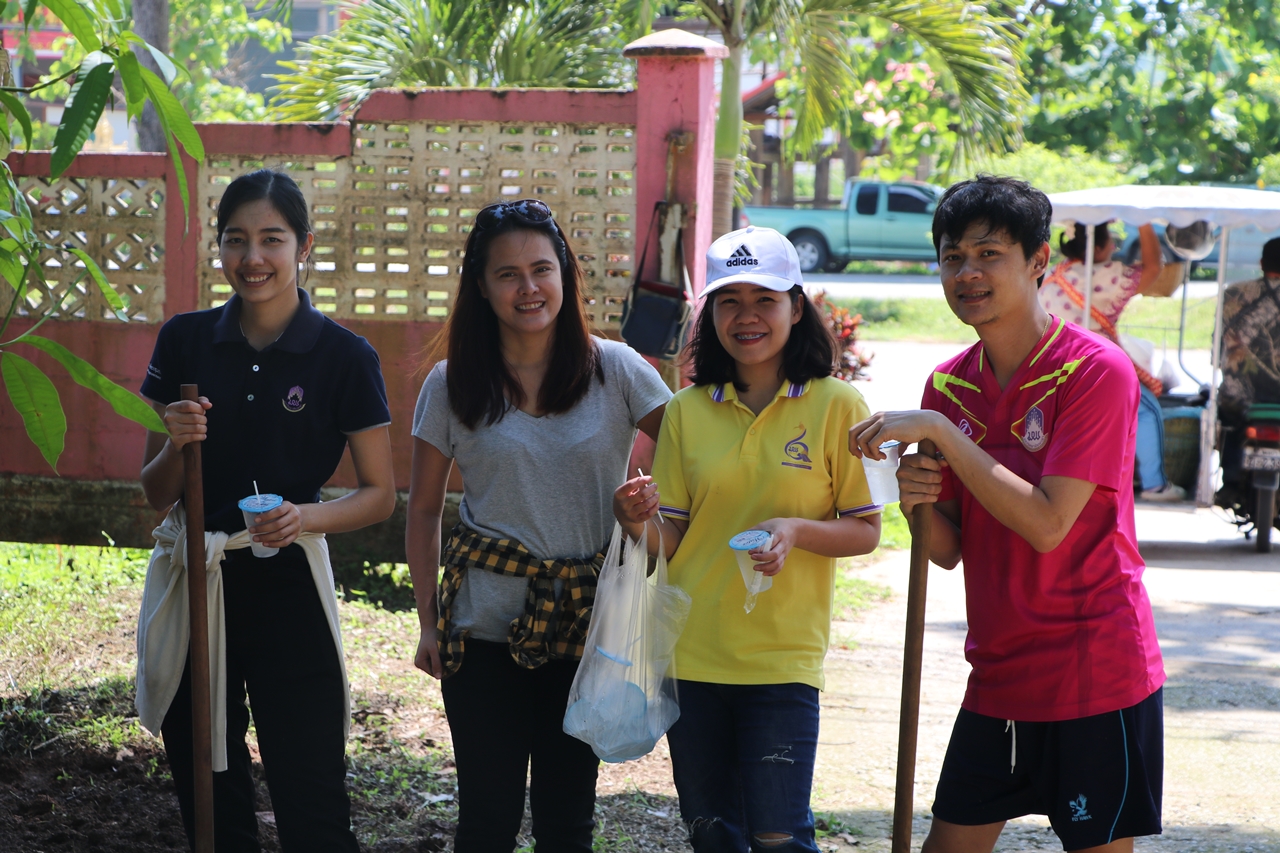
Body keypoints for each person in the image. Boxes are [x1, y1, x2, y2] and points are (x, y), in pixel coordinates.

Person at [850, 176, 1165, 853]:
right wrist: (914, 496)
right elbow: (945, 548)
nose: (967, 273)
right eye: (952, 257)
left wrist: (940, 432)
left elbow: (1048, 525)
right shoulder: (949, 384)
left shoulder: (1095, 372)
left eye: (988, 253)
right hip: (998, 674)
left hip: (1094, 672)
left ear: (1037, 260)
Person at [137, 169, 397, 852]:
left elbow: (380, 493)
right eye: (236, 239)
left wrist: (303, 517)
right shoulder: (185, 341)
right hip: (199, 579)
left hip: (289, 584)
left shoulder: (345, 356)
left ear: (304, 245)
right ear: (220, 246)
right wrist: (178, 442)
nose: (252, 257)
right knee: (208, 791)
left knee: (311, 793)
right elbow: (156, 491)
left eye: (272, 239)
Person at [405, 198, 670, 852]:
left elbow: (700, 448)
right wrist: (429, 622)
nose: (528, 288)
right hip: (479, 631)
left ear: (565, 275)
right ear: (480, 285)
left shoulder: (617, 370)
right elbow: (424, 508)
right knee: (486, 820)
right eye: (507, 274)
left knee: (567, 821)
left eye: (541, 269)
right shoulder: (450, 383)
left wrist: (654, 507)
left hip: (587, 628)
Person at [613, 226, 882, 852]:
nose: (747, 316)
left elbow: (866, 530)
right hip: (693, 658)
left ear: (797, 308)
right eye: (729, 301)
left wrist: (794, 530)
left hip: (782, 663)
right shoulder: (686, 411)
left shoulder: (839, 405)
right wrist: (634, 521)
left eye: (765, 299)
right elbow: (673, 539)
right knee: (713, 835)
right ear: (711, 315)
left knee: (780, 837)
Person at [1039, 221, 1182, 501]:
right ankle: (1154, 484)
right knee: (1147, 410)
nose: (1115, 247)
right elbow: (1154, 267)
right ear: (1097, 247)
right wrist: (1143, 223)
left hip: (1053, 368)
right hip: (1096, 367)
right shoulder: (1106, 275)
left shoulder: (1053, 275)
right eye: (1110, 242)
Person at [1217, 237, 1280, 492]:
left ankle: (1230, 481)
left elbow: (1218, 344)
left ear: (1262, 264)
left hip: (1240, 395)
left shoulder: (1234, 292)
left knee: (1230, 418)